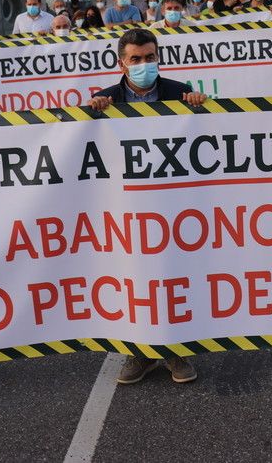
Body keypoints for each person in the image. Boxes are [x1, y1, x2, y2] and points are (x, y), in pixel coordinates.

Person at [88, 28, 206, 385]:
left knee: (171, 275)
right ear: (121, 63)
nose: (143, 64)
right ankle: (139, 352)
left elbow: (211, 135)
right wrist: (92, 113)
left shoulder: (180, 94)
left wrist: (201, 108)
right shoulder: (104, 100)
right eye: (135, 59)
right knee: (134, 279)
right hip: (125, 208)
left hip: (172, 205)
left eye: (150, 57)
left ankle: (175, 351)